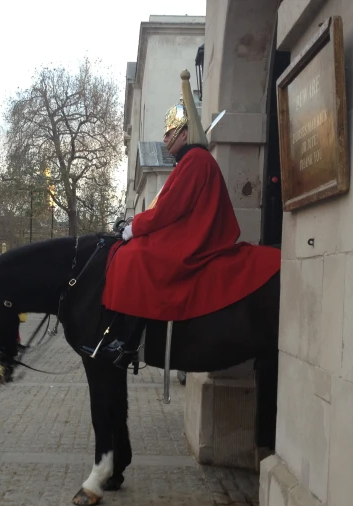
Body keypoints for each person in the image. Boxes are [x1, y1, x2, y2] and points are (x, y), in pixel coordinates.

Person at [98, 70, 281, 367]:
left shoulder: (195, 161)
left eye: (170, 133)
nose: (165, 138)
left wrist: (135, 228)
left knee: (133, 258)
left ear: (185, 133)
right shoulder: (192, 161)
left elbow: (168, 209)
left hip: (195, 239)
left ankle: (127, 342)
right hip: (190, 232)